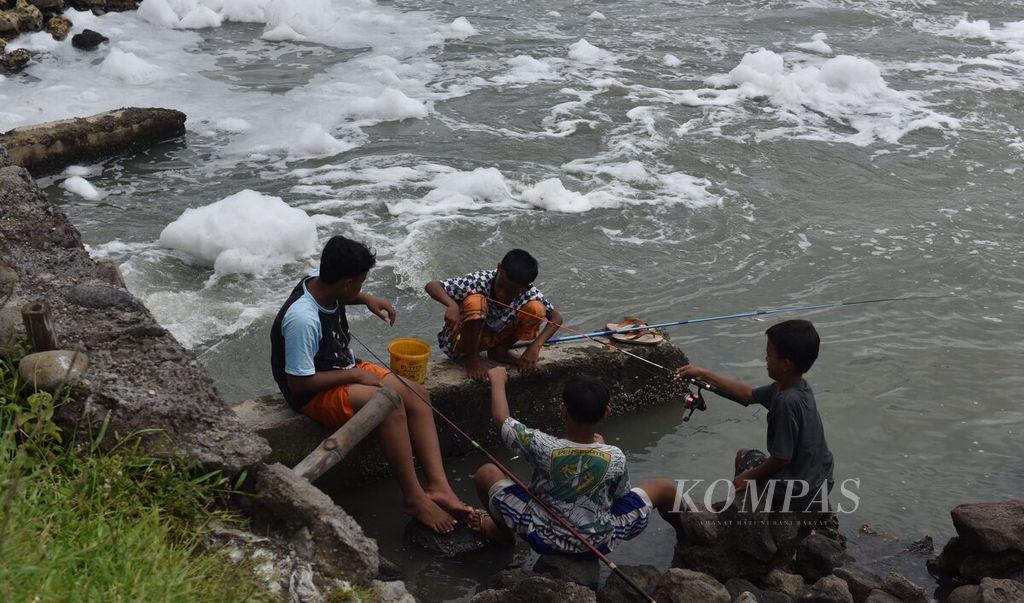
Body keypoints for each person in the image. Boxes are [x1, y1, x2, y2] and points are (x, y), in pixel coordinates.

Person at [270, 235, 469, 533]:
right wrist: (355, 375)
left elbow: (344, 294)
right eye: (361, 283)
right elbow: (299, 382)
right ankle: (414, 497)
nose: (361, 288)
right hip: (315, 391)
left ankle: (439, 486)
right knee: (389, 405)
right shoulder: (303, 319)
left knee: (417, 392)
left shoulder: (321, 282)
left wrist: (366, 299)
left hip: (340, 366)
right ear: (347, 282)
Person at [468, 367, 678, 554]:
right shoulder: (615, 456)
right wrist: (601, 450)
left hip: (542, 537)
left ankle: (504, 535)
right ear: (606, 413)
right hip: (598, 543)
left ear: (562, 410)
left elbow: (500, 419)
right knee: (663, 488)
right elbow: (620, 497)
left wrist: (497, 379)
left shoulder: (541, 445)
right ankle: (689, 532)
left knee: (487, 473)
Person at [674, 319, 834, 513]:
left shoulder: (786, 401)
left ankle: (744, 515)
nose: (765, 359)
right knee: (751, 462)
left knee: (744, 457)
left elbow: (781, 458)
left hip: (800, 491)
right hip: (820, 480)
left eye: (769, 355)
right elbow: (749, 395)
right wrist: (704, 374)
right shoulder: (797, 386)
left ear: (785, 364)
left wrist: (748, 477)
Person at [425, 249, 563, 382]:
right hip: (459, 341)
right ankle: (471, 358)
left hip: (493, 338)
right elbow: (432, 285)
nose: (502, 293)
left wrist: (535, 347)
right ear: (498, 269)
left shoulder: (529, 293)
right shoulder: (480, 280)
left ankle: (500, 351)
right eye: (501, 285)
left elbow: (556, 318)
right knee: (475, 302)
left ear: (525, 288)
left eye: (511, 291)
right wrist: (451, 305)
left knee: (536, 309)